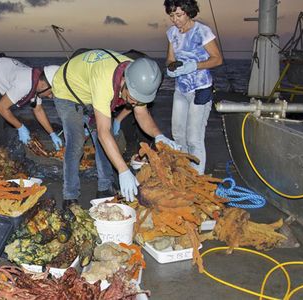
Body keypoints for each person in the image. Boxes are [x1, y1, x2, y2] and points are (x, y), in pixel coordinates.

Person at [50, 49, 181, 207]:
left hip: (89, 89)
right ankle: (69, 195)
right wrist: (123, 170)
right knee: (76, 143)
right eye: (133, 98)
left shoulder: (138, 77)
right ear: (124, 82)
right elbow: (103, 133)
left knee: (105, 140)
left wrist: (159, 136)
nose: (134, 104)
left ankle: (105, 187)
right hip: (67, 91)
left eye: (140, 100)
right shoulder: (104, 81)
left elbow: (142, 114)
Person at [164, 0, 223, 175]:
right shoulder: (172, 33)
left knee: (193, 138)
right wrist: (172, 67)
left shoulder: (202, 31)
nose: (175, 19)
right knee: (178, 134)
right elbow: (170, 58)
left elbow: (217, 59)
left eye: (179, 15)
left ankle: (197, 179)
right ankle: (185, 173)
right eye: (172, 15)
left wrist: (194, 66)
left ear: (189, 12)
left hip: (201, 90)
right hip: (181, 89)